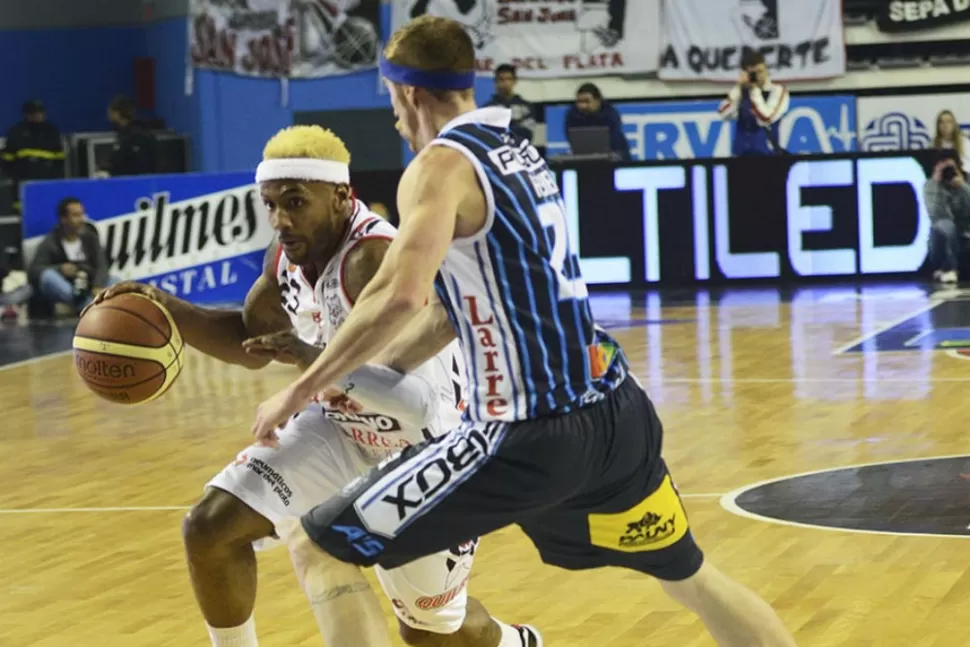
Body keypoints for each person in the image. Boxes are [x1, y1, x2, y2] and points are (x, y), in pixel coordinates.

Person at [252, 15, 796, 647]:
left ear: (408, 93)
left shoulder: (437, 168)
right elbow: (448, 311)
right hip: (615, 410)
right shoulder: (518, 152)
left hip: (528, 433)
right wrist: (358, 378)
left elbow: (399, 295)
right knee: (692, 579)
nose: (396, 116)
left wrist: (299, 388)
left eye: (392, 98)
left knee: (320, 546)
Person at [93, 125, 540, 647]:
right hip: (345, 428)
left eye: (296, 203)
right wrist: (168, 309)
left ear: (341, 198)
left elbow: (418, 408)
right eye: (271, 204)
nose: (281, 220)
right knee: (210, 528)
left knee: (434, 635)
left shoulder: (372, 261)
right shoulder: (287, 256)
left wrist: (311, 363)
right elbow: (250, 341)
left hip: (428, 449)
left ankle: (512, 642)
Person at [27, 197, 112, 315]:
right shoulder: (51, 241)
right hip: (67, 286)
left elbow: (102, 265)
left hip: (89, 283)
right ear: (64, 219)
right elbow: (35, 270)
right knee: (48, 277)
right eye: (76, 215)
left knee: (116, 281)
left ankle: (83, 307)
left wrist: (97, 285)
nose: (81, 219)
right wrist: (59, 268)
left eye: (81, 214)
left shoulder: (91, 238)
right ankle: (88, 307)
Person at [718, 51, 790, 156]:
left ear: (766, 69)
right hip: (741, 157)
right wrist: (738, 87)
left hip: (768, 157)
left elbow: (766, 118)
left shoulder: (778, 91)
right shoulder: (741, 92)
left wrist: (754, 90)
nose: (758, 76)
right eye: (753, 73)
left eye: (760, 71)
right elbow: (723, 114)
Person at [1, 100, 65, 210]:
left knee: (47, 208)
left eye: (40, 112)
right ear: (27, 114)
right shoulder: (16, 132)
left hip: (47, 182)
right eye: (33, 113)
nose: (37, 115)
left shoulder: (51, 131)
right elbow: (7, 159)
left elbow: (59, 159)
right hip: (22, 183)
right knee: (23, 210)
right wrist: (15, 176)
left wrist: (55, 179)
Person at [924, 153, 970, 283]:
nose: (948, 172)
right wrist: (937, 184)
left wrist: (963, 187)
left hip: (965, 233)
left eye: (951, 168)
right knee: (946, 225)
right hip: (942, 236)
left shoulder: (965, 182)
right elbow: (936, 213)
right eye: (944, 168)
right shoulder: (930, 186)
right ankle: (949, 269)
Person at [564, 82, 630, 160]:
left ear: (597, 100)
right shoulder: (572, 115)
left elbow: (614, 139)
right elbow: (571, 138)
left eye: (586, 101)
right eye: (579, 102)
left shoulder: (610, 114)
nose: (583, 106)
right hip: (583, 159)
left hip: (613, 156)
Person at [104, 95, 157, 177]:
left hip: (136, 184)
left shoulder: (137, 135)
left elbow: (141, 165)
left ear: (118, 113)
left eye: (111, 111)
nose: (108, 114)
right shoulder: (122, 134)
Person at [484, 64, 536, 142]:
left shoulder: (526, 107)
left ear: (515, 81)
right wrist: (515, 124)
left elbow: (527, 133)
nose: (505, 83)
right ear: (495, 81)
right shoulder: (488, 109)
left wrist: (504, 127)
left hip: (520, 151)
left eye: (508, 79)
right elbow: (488, 134)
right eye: (501, 79)